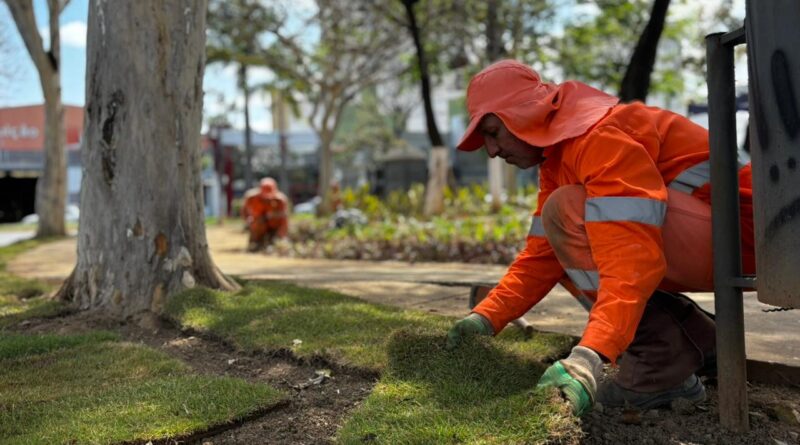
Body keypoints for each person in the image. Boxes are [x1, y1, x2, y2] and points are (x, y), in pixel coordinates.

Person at [445, 60, 755, 416]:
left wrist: (589, 357)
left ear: (524, 114)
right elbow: (542, 257)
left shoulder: (597, 137)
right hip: (721, 235)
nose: (492, 151)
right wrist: (485, 318)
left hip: (749, 241)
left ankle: (660, 362)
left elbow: (631, 259)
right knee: (562, 233)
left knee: (568, 214)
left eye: (493, 132)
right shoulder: (559, 156)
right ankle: (693, 339)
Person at [242, 177, 290, 252]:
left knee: (282, 224)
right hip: (258, 224)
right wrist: (247, 221)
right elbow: (244, 211)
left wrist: (282, 235)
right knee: (256, 222)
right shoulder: (251, 198)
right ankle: (255, 243)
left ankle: (277, 241)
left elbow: (284, 217)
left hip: (274, 225)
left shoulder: (280, 200)